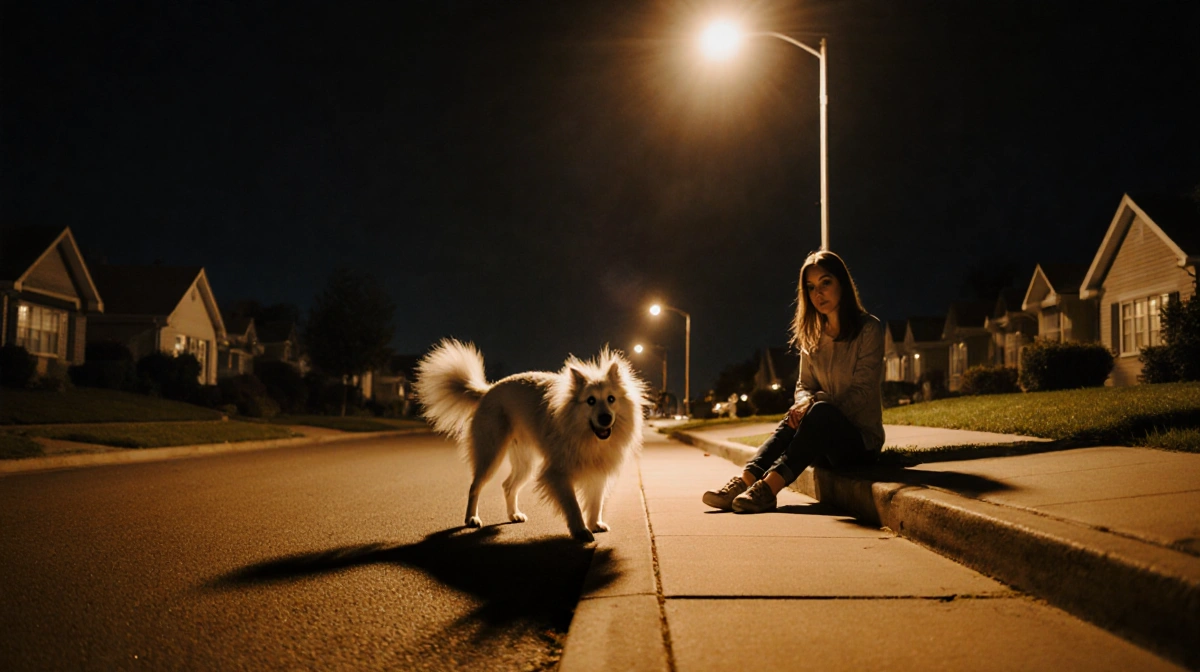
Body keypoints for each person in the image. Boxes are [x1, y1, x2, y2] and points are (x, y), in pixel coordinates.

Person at [702, 250, 885, 513]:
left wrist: (812, 403)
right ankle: (745, 481)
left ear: (842, 283)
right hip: (820, 442)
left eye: (825, 283)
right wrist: (802, 404)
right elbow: (803, 386)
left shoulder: (868, 329)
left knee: (817, 411)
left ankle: (769, 489)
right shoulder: (813, 335)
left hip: (858, 443)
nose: (818, 293)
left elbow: (861, 394)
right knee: (795, 416)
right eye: (811, 288)